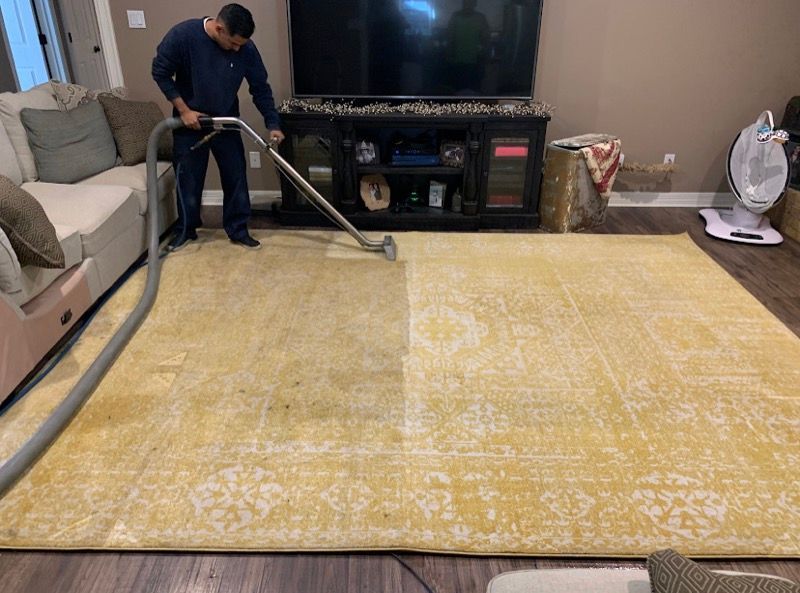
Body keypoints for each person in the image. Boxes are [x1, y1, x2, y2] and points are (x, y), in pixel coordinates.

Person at [152, 3, 285, 251]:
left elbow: (260, 87)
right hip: (190, 122)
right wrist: (184, 110)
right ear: (219, 28)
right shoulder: (183, 36)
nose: (237, 49)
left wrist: (272, 123)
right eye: (233, 43)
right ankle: (186, 230)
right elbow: (160, 72)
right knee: (189, 179)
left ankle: (238, 229)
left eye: (241, 45)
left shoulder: (245, 49)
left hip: (226, 122)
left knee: (235, 175)